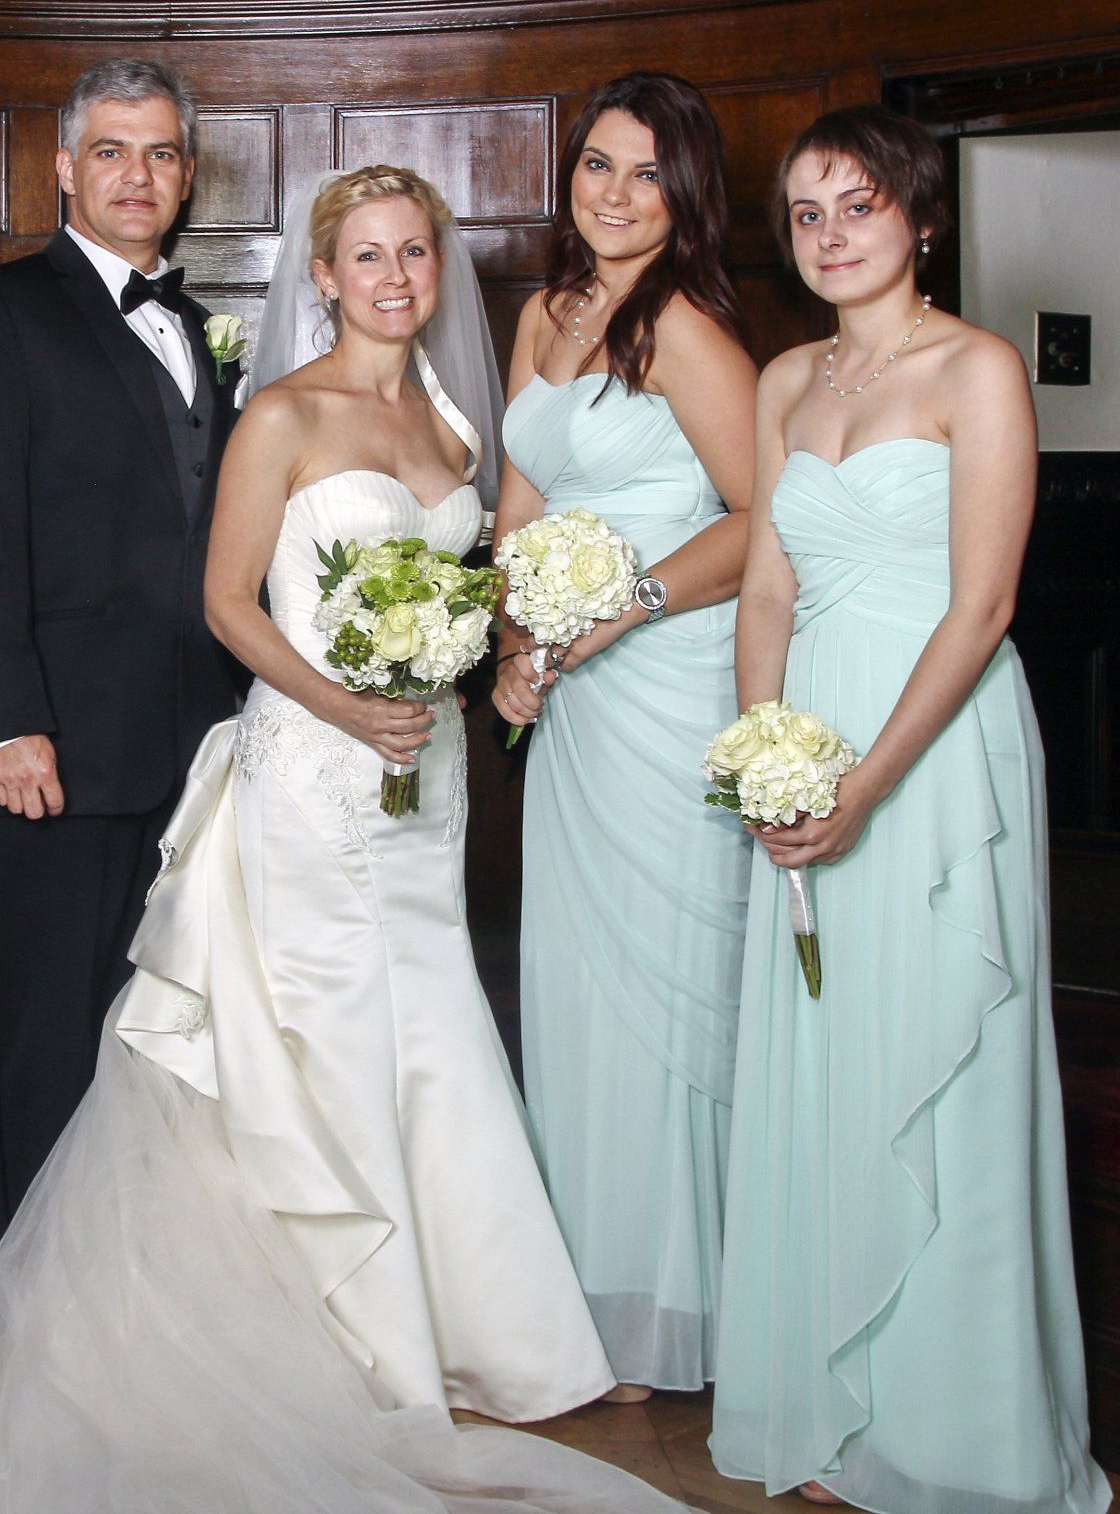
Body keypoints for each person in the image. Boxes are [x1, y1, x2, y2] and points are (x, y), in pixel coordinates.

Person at [0, 166, 690, 1514]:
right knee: (318, 1037)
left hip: (425, 780)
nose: (396, 278)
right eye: (367, 256)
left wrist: (487, 664)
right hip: (311, 771)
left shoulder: (456, 422)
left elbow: (485, 578)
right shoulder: (280, 414)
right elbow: (228, 604)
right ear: (322, 275)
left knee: (430, 1029)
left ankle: (467, 1329)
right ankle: (339, 1340)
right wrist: (349, 706)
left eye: (415, 254)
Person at [709, 104, 1109, 1513]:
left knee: (940, 1060)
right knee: (826, 1061)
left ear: (921, 218)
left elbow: (983, 606)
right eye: (806, 213)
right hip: (809, 733)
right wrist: (764, 753)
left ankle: (956, 1438)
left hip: (933, 747)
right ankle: (836, 1414)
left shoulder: (978, 369)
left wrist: (864, 785)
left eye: (859, 205)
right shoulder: (784, 380)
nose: (830, 235)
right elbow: (768, 585)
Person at [0, 59, 242, 1251]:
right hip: (47, 757)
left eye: (159, 153)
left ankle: (130, 1303)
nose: (136, 175)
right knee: (49, 1052)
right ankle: (32, 1316)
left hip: (190, 754)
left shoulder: (200, 331)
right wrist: (7, 723)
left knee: (154, 1047)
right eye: (111, 150)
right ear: (63, 168)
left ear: (187, 176)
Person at [489, 71, 755, 1401]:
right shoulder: (544, 311)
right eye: (598, 163)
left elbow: (766, 521)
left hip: (669, 683)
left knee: (665, 989)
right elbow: (520, 506)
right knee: (581, 990)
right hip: (576, 706)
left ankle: (688, 1306)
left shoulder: (689, 328)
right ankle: (601, 1297)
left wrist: (624, 609)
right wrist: (514, 647)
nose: (615, 193)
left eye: (647, 172)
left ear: (686, 191)